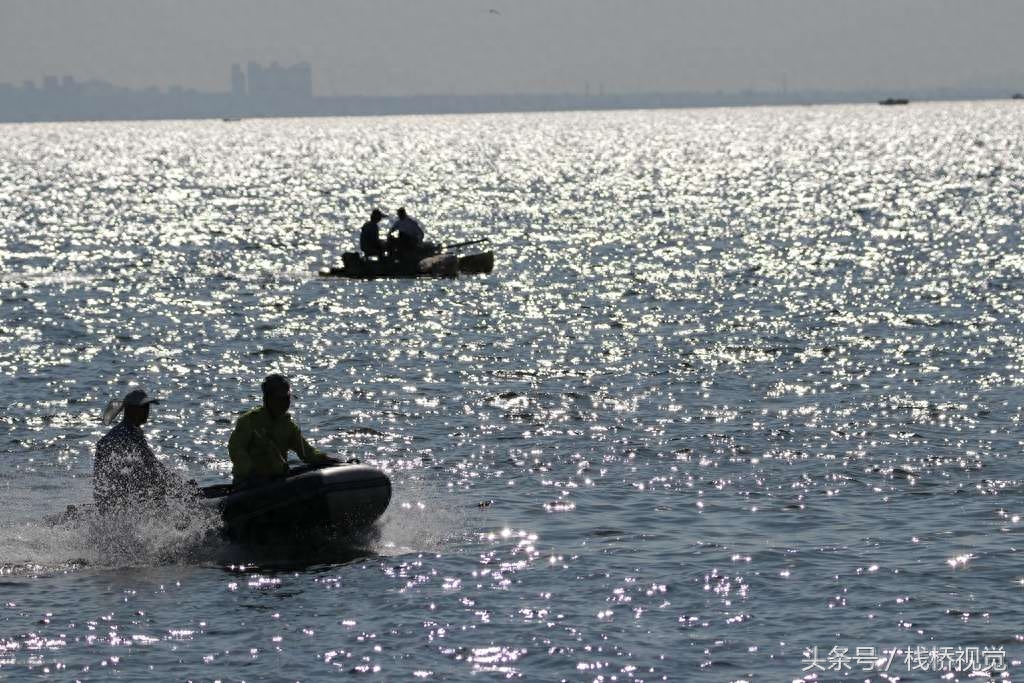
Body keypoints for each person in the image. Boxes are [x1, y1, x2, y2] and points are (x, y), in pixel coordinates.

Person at [228, 374, 338, 486]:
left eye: (287, 398)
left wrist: (325, 459)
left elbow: (306, 452)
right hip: (249, 481)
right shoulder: (249, 421)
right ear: (267, 399)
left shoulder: (288, 425)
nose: (285, 403)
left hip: (277, 480)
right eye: (280, 399)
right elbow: (236, 450)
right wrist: (251, 471)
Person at [94, 388, 185, 512]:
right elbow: (152, 467)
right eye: (144, 408)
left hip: (108, 499)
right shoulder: (131, 434)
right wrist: (179, 485)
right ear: (133, 411)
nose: (147, 411)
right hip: (124, 499)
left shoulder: (118, 432)